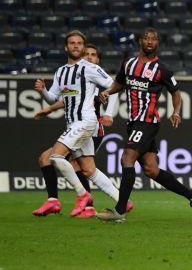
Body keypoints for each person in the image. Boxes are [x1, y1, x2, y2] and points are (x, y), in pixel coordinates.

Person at [95, 28, 192, 223]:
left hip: (148, 122)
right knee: (151, 170)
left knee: (127, 158)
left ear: (158, 43)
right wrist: (108, 92)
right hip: (134, 122)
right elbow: (120, 83)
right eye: (146, 38)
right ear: (139, 41)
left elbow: (175, 91)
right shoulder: (128, 64)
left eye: (154, 39)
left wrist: (176, 111)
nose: (150, 41)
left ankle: (120, 211)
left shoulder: (161, 69)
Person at [32, 44, 129, 218]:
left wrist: (108, 114)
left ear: (98, 60)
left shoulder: (96, 80)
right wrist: (48, 108)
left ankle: (79, 200)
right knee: (85, 168)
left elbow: (114, 90)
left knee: (58, 159)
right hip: (77, 125)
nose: (89, 57)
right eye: (87, 54)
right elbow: (66, 97)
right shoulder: (76, 78)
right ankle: (120, 200)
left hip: (90, 127)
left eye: (93, 55)